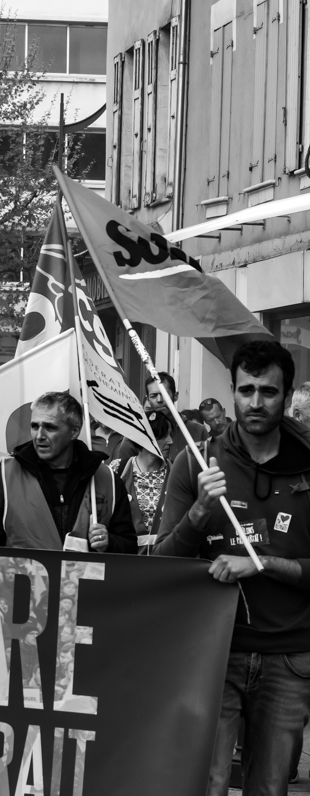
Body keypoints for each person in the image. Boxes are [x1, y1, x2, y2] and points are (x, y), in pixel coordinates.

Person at [154, 341, 310, 796]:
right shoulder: (196, 461)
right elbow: (161, 562)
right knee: (206, 784)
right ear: (232, 392)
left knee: (269, 787)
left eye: (268, 391)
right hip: (211, 653)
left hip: (291, 656)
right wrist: (200, 511)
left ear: (288, 393)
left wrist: (260, 564)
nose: (255, 403)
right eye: (246, 390)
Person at [0, 391, 135, 551]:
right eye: (34, 426)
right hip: (23, 582)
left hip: (83, 583)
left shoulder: (107, 479)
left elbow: (129, 546)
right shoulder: (5, 476)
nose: (39, 435)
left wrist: (110, 543)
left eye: (50, 427)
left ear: (74, 431)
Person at [110, 411, 173, 553]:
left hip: (165, 563)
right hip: (127, 564)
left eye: (170, 435)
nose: (170, 441)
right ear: (145, 438)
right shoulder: (117, 469)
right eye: (163, 436)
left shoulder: (177, 472)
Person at [144, 371, 209, 463]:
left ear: (175, 396)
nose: (159, 400)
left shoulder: (198, 431)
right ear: (148, 400)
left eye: (164, 394)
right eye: (153, 396)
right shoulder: (141, 431)